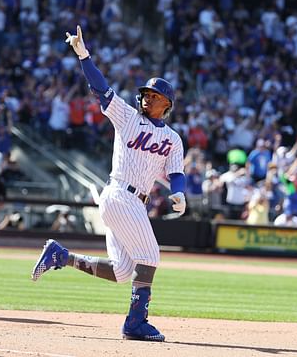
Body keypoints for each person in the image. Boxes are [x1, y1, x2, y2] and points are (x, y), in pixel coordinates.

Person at [31, 26, 187, 342]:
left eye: (154, 95)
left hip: (132, 201)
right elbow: (101, 88)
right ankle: (135, 322)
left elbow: (175, 173)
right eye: (145, 93)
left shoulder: (172, 138)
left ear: (166, 104)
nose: (146, 97)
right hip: (120, 194)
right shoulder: (128, 117)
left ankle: (61, 256)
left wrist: (180, 193)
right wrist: (84, 56)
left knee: (121, 272)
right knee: (151, 257)